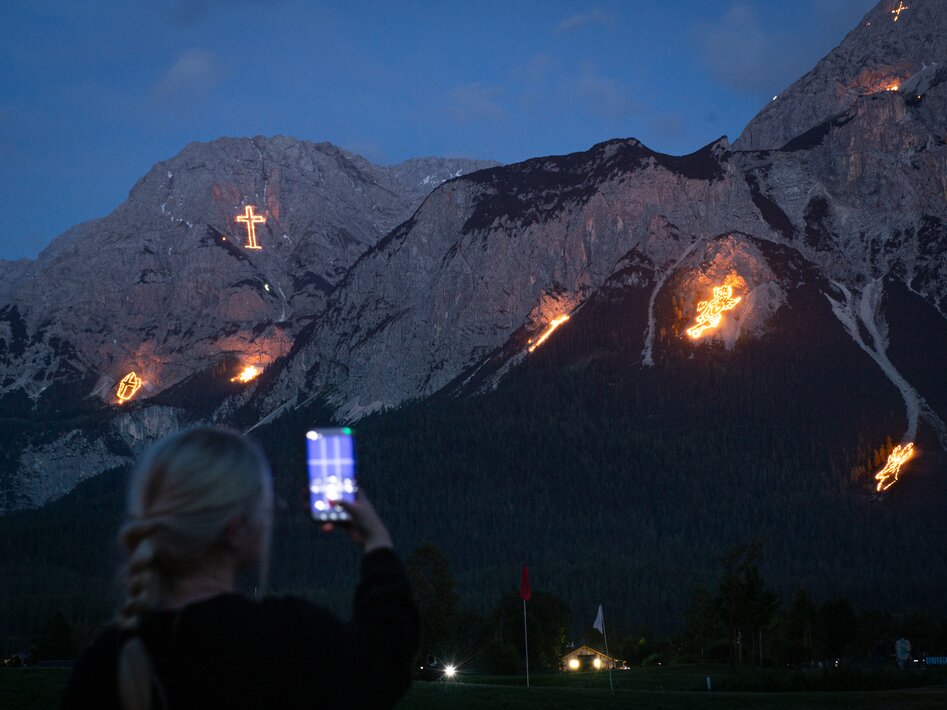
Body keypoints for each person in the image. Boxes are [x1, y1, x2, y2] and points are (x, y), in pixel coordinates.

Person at [63, 426, 419, 709]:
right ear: (235, 529)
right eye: (265, 507)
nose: (272, 516)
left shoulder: (104, 665)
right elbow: (388, 658)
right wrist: (377, 542)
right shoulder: (290, 639)